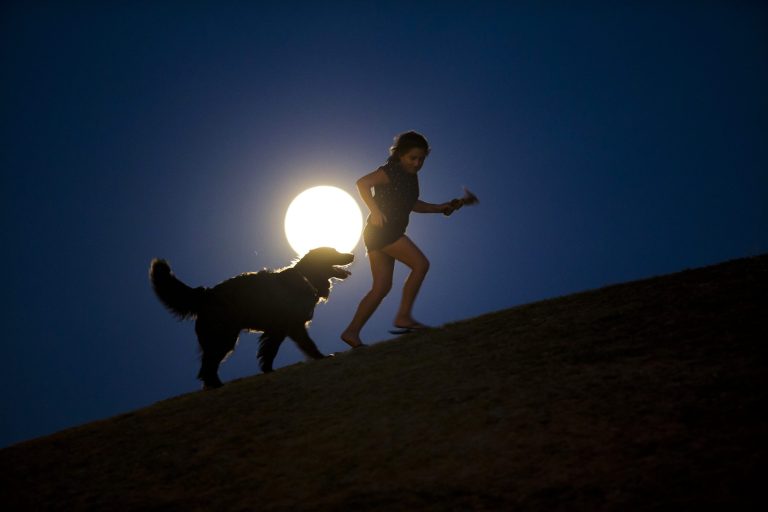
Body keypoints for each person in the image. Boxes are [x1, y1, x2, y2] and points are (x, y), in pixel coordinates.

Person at [341, 131, 463, 348]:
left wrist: (440, 208)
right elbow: (362, 183)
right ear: (400, 155)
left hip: (378, 233)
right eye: (412, 158)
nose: (417, 163)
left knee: (381, 287)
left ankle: (351, 332)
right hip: (384, 231)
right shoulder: (391, 171)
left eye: (421, 159)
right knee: (420, 264)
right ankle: (403, 317)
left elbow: (413, 204)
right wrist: (375, 210)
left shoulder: (411, 178)